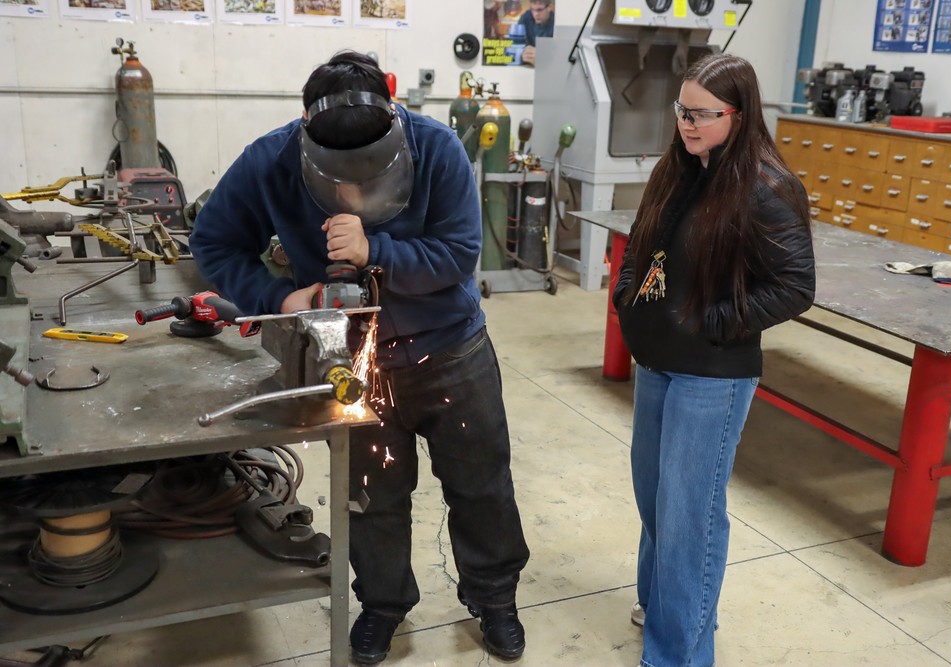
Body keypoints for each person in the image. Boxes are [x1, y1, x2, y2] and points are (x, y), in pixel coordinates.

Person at [188, 50, 530, 665]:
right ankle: (382, 605)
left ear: (394, 119)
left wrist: (377, 250)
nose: (351, 189)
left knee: (482, 486)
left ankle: (495, 598)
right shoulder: (270, 160)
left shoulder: (438, 149)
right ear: (305, 128)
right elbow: (213, 240)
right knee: (369, 495)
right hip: (352, 362)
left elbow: (459, 254)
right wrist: (278, 297)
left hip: (451, 351)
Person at [611, 53, 815, 667]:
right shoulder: (678, 170)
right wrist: (628, 298)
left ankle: (679, 653)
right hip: (657, 362)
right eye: (683, 110)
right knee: (655, 498)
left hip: (713, 374)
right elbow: (641, 242)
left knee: (689, 515)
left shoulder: (767, 188)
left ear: (739, 114)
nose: (687, 123)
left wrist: (715, 323)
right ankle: (664, 605)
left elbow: (795, 286)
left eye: (702, 114)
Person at [517, 0, 554, 66]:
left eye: (539, 10)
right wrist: (521, 55)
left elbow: (559, 54)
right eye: (532, 9)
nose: (535, 14)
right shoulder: (525, 19)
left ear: (549, 7)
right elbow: (517, 46)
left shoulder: (556, 23)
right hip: (527, 66)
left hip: (548, 66)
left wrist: (542, 58)